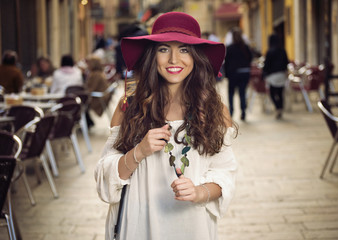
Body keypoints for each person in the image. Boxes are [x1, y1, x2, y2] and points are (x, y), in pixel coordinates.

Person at [95, 12, 238, 240]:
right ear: (153, 56)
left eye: (184, 49)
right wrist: (139, 151)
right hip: (138, 225)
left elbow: (224, 173)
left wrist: (200, 192)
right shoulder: (129, 105)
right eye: (163, 49)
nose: (173, 59)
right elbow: (105, 175)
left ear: (196, 57)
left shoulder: (214, 109)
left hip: (193, 228)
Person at [224, 27, 253, 121]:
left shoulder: (229, 48)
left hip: (233, 74)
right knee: (242, 93)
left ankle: (231, 112)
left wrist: (227, 75)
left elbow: (226, 62)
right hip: (244, 73)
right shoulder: (246, 47)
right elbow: (250, 58)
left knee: (231, 93)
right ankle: (243, 111)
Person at [262, 34, 289, 119]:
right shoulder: (283, 50)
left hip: (272, 76)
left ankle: (278, 108)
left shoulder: (270, 51)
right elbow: (286, 62)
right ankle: (280, 108)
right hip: (281, 75)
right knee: (280, 93)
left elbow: (266, 65)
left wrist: (264, 75)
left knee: (272, 93)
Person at [84, 56, 111, 127]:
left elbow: (90, 89)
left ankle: (87, 123)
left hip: (98, 99)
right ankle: (88, 122)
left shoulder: (95, 75)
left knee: (80, 103)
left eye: (88, 64)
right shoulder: (99, 73)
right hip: (101, 96)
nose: (87, 66)